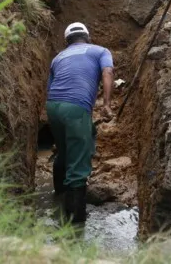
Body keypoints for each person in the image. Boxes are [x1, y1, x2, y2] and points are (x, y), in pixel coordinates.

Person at [46, 22, 115, 224]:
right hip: (76, 108)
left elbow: (51, 87)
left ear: (67, 41)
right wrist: (107, 104)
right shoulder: (100, 51)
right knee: (78, 161)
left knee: (64, 150)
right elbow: (108, 72)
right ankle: (75, 222)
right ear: (88, 36)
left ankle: (58, 195)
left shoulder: (58, 57)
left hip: (53, 107)